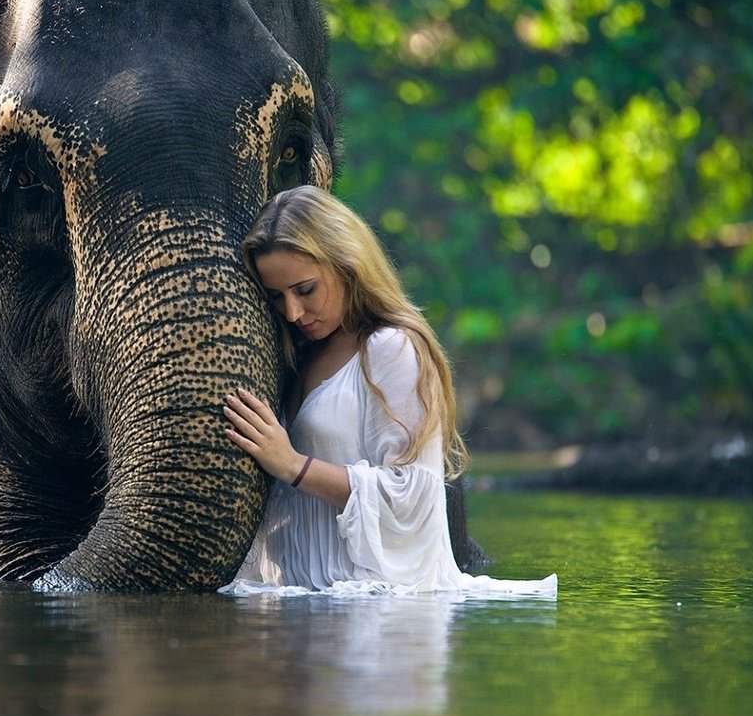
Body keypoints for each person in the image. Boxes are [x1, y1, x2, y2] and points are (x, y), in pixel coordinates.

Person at [221, 186, 556, 597]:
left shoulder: (390, 348)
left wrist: (292, 466)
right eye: (276, 297)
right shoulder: (297, 355)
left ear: (348, 264)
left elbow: (413, 493)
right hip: (305, 604)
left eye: (306, 290)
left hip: (384, 614)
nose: (292, 312)